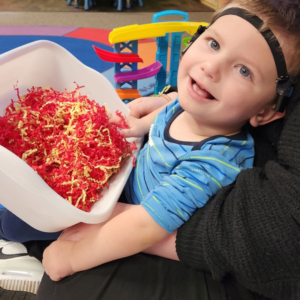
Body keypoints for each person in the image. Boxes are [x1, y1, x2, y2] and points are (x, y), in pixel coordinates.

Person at [1, 0, 300, 299]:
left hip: (136, 219)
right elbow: (172, 110)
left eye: (244, 71)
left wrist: (72, 259)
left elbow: (146, 226)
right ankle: (23, 246)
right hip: (122, 189)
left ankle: (20, 253)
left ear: (264, 112)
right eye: (213, 43)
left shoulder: (213, 161)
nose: (211, 67)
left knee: (19, 223)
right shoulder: (198, 106)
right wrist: (139, 127)